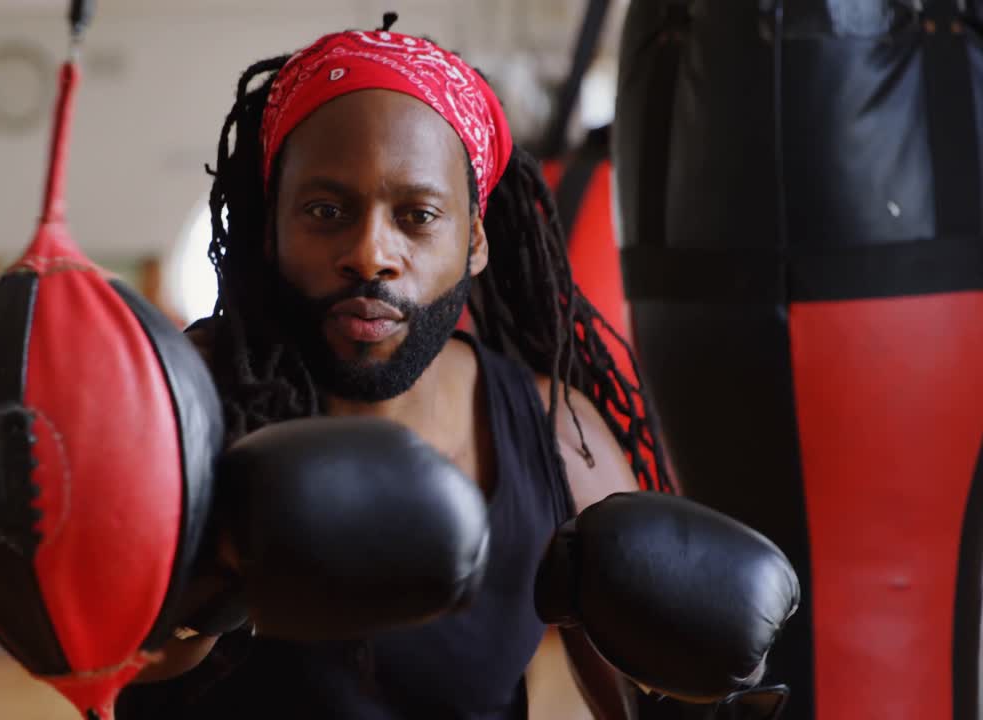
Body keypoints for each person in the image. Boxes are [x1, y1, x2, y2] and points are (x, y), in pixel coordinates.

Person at [118, 17, 672, 720]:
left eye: (416, 215)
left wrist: (697, 695)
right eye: (325, 210)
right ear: (271, 227)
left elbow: (638, 696)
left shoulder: (555, 437)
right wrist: (216, 575)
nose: (370, 253)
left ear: (474, 240)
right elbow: (109, 665)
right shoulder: (185, 405)